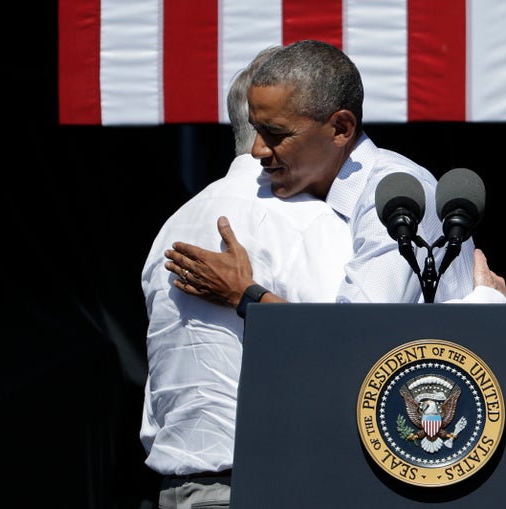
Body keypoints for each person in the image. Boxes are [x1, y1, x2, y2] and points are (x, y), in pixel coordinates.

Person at [139, 45, 354, 509]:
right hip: (268, 486)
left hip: (178, 488)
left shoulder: (171, 226)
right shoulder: (310, 224)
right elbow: (351, 352)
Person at [165, 39, 506, 310]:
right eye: (255, 130)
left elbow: (357, 336)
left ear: (341, 128)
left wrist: (245, 295)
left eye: (276, 134)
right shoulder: (316, 192)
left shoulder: (391, 196)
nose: (257, 150)